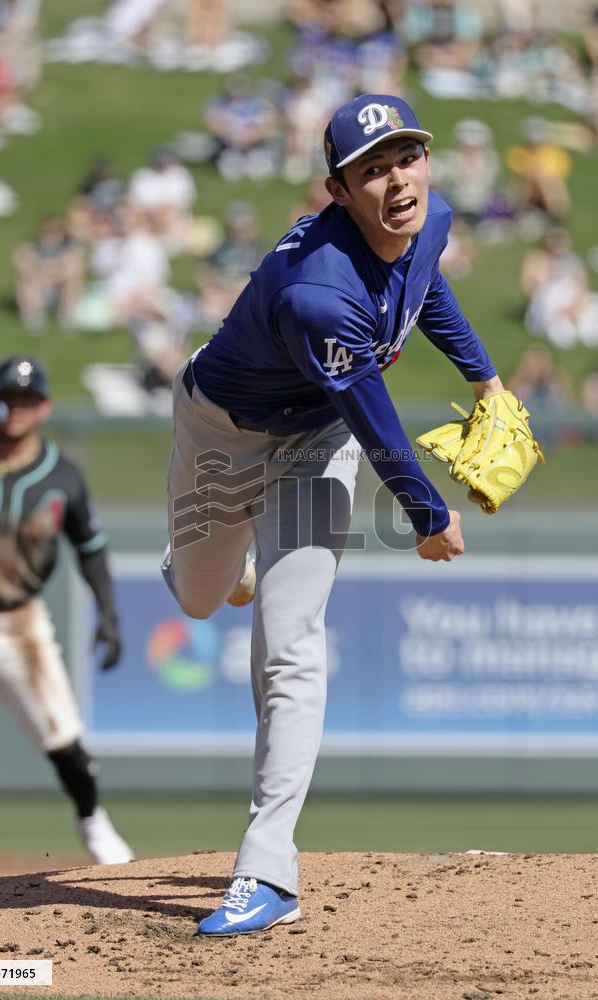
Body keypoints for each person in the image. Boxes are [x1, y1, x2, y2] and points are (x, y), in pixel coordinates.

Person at [162, 94, 504, 935]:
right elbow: (373, 414)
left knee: (291, 642)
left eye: (407, 157)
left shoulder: (430, 218)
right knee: (200, 598)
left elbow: (425, 286)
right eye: (371, 170)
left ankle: (266, 874)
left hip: (314, 440)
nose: (397, 181)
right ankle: (213, 562)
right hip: (222, 432)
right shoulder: (318, 290)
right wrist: (427, 515)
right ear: (338, 191)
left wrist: (484, 379)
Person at [0, 356, 133, 865]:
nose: (15, 407)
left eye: (26, 398)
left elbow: (91, 548)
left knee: (64, 739)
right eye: (7, 397)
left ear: (43, 406)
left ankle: (93, 822)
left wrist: (109, 615)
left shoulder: (62, 477)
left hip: (18, 623)